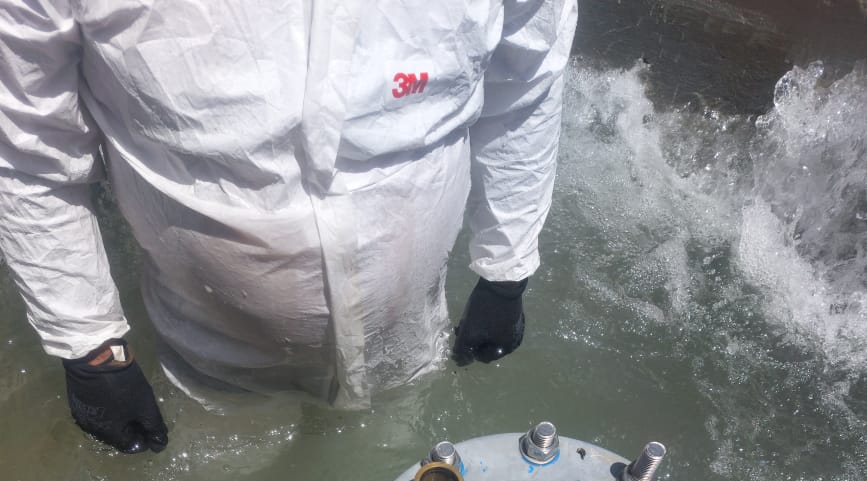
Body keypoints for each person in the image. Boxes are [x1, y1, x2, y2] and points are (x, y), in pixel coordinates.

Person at [0, 0, 578, 453]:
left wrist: (506, 270)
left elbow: (527, 79)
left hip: (406, 342)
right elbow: (27, 147)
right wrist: (89, 348)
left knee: (399, 467)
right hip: (213, 363)